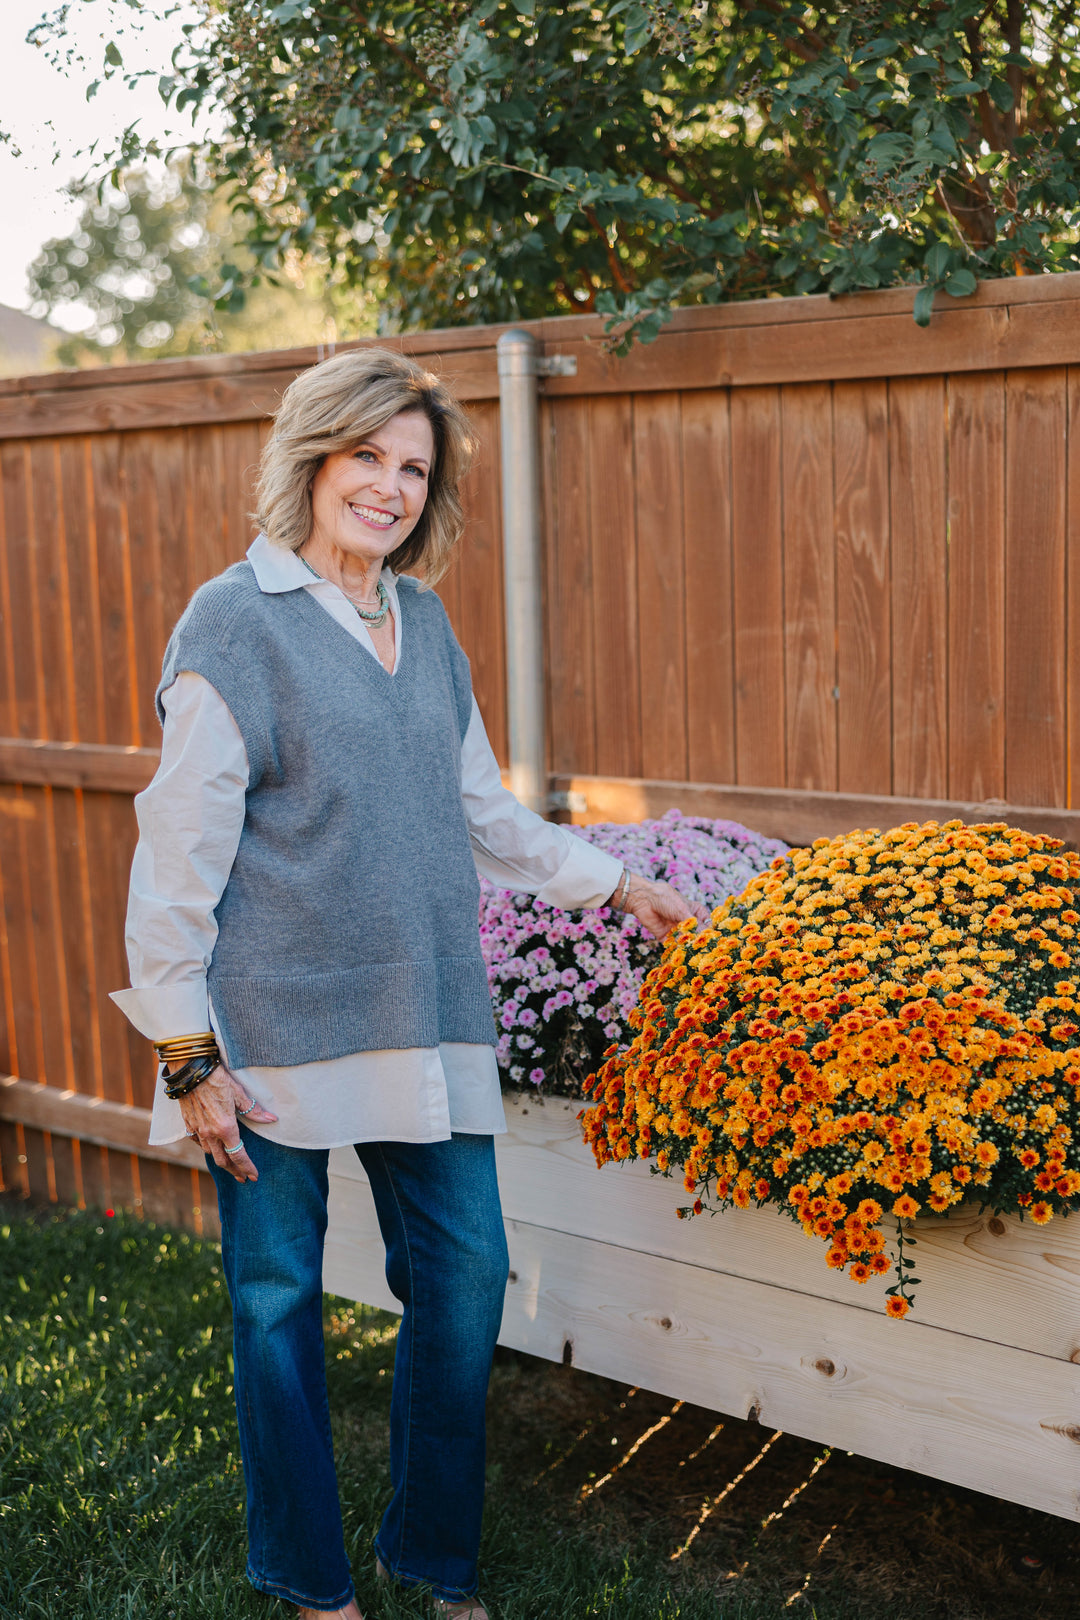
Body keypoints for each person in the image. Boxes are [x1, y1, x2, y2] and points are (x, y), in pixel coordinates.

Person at [111, 347, 700, 1620]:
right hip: (265, 1034)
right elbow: (177, 853)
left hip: (424, 1014)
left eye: (413, 468)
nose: (388, 486)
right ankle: (308, 1577)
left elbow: (480, 807)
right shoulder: (234, 619)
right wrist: (185, 1053)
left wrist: (611, 884)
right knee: (276, 1305)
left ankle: (431, 1554)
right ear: (313, 459)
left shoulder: (422, 624)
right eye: (366, 456)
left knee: (469, 1277)